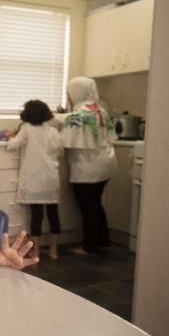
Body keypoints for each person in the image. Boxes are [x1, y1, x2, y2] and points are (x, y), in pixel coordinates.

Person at [61, 76, 117, 255]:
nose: (68, 98)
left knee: (87, 206)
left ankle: (89, 246)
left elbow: (66, 142)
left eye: (69, 94)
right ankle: (102, 240)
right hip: (106, 164)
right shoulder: (101, 111)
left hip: (87, 168)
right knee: (96, 203)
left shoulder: (77, 114)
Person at [6, 100, 63, 260]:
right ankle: (53, 251)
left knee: (37, 215)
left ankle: (36, 251)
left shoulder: (26, 129)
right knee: (53, 214)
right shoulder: (53, 131)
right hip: (51, 179)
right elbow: (60, 151)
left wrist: (10, 137)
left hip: (34, 179)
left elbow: (13, 145)